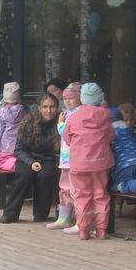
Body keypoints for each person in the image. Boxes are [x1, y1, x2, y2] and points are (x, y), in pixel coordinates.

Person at [65, 82, 115, 239]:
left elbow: (67, 138)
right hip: (101, 162)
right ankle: (101, 230)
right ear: (99, 98)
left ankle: (83, 230)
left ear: (82, 98)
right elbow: (111, 136)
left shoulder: (73, 116)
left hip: (79, 163)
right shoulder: (106, 116)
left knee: (81, 196)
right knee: (100, 195)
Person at [2, 93, 61, 223]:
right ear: (39, 107)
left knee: (45, 177)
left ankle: (41, 214)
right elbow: (19, 149)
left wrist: (61, 126)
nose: (49, 110)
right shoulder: (29, 122)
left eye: (52, 107)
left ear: (57, 107)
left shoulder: (61, 121)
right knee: (24, 177)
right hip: (27, 157)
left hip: (48, 159)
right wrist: (31, 162)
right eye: (45, 107)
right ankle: (10, 214)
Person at [48, 83, 82, 231]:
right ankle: (64, 218)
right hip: (65, 159)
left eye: (71, 98)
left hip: (75, 159)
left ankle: (80, 220)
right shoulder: (67, 112)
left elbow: (68, 133)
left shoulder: (79, 113)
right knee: (64, 187)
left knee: (77, 189)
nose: (67, 101)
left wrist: (60, 124)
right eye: (65, 98)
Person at [0, 82, 26, 172]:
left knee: (0, 162)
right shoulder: (23, 111)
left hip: (6, 146)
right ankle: (19, 162)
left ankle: (18, 165)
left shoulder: (2, 113)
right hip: (20, 144)